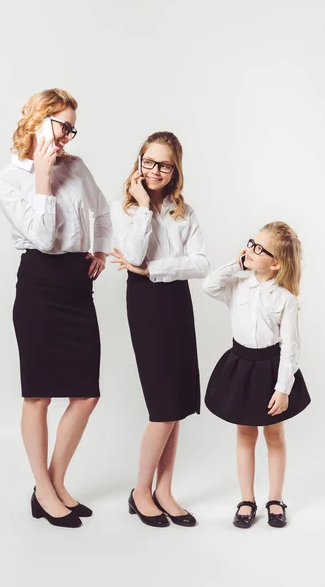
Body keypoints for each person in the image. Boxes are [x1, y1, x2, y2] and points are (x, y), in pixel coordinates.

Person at [0, 88, 112, 528]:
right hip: (40, 286)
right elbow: (42, 239)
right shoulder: (8, 180)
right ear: (38, 121)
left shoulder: (77, 167)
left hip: (77, 286)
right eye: (62, 125)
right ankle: (44, 490)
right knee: (39, 395)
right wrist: (42, 177)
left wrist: (99, 250)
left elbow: (100, 213)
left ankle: (54, 484)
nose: (67, 136)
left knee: (86, 394)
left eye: (71, 128)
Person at [111, 131, 210, 528]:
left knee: (178, 403)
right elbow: (132, 255)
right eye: (147, 162)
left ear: (175, 170)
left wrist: (156, 269)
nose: (154, 171)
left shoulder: (184, 211)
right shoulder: (124, 207)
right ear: (138, 163)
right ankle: (140, 491)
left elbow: (200, 264)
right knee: (162, 405)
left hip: (176, 302)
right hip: (146, 304)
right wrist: (141, 209)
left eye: (163, 165)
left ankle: (164, 491)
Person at [202, 223, 310, 528]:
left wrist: (283, 388)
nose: (250, 250)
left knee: (274, 435)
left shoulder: (284, 299)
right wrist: (236, 265)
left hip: (271, 369)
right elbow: (208, 285)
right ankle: (246, 499)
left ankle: (275, 498)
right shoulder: (237, 284)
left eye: (259, 249)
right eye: (251, 243)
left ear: (275, 262)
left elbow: (291, 348)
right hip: (241, 365)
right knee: (245, 433)